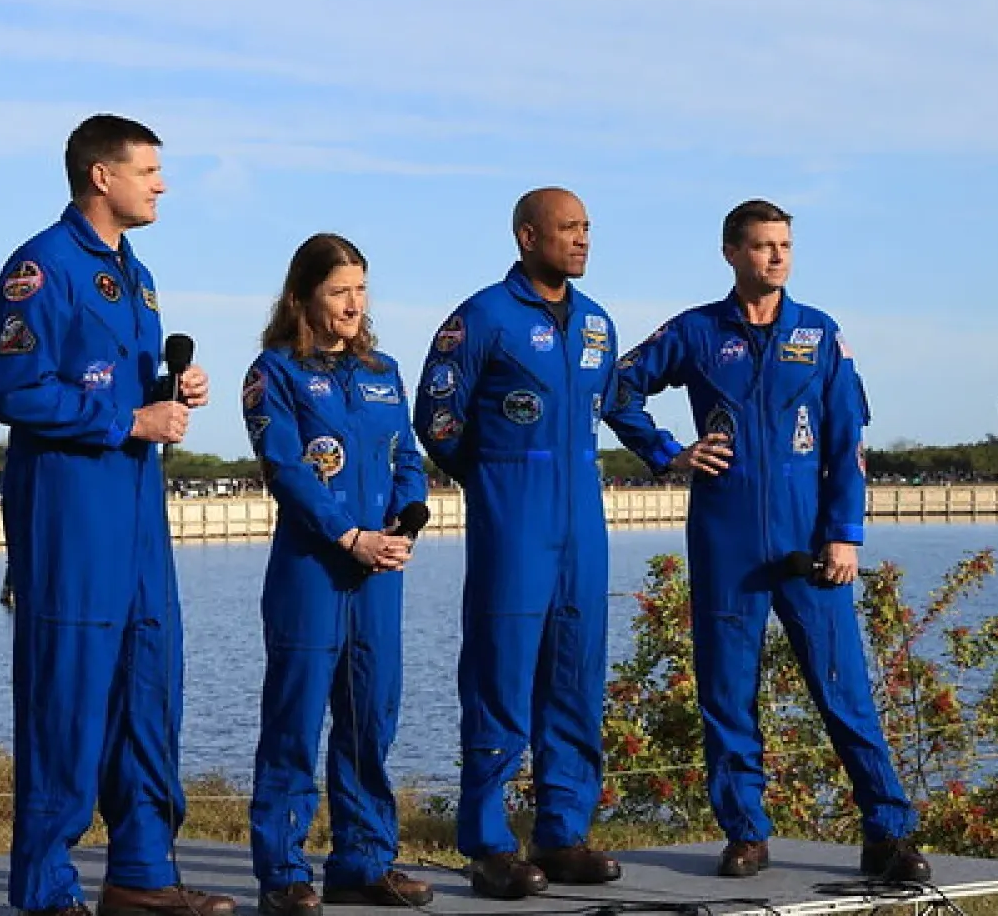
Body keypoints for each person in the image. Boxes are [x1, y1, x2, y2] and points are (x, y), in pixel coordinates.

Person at [608, 199, 931, 884]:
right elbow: (618, 388)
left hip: (809, 540)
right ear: (731, 252)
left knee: (843, 688)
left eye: (784, 243)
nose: (775, 256)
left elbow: (846, 442)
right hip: (725, 536)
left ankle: (888, 831)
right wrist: (668, 451)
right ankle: (746, 832)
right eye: (760, 245)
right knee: (726, 690)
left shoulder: (818, 333)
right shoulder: (697, 332)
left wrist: (845, 535)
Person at [0, 115, 232, 916]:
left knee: (149, 687)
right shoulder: (40, 268)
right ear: (101, 175)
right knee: (68, 693)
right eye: (149, 170)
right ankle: (48, 885)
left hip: (138, 515)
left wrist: (169, 394)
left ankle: (141, 871)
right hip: (70, 513)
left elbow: (120, 387)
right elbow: (17, 391)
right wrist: (128, 421)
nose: (161, 184)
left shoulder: (141, 276)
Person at [413, 188, 624, 901]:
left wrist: (670, 451)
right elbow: (437, 412)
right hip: (514, 519)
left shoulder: (597, 324)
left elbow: (616, 403)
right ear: (529, 236)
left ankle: (562, 831)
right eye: (568, 229)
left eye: (587, 228)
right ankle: (489, 841)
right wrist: (490, 478)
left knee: (576, 674)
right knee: (500, 678)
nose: (582, 239)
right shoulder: (483, 317)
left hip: (583, 526)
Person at [241, 234, 434, 915]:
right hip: (312, 571)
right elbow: (287, 470)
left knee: (370, 718)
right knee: (295, 722)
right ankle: (284, 869)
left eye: (360, 289)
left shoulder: (383, 369)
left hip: (379, 572)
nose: (354, 303)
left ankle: (363, 859)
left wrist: (405, 525)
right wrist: (348, 535)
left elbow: (405, 455)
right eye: (338, 290)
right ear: (302, 297)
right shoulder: (274, 373)